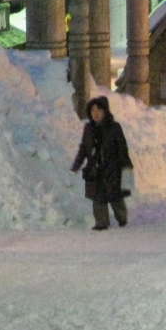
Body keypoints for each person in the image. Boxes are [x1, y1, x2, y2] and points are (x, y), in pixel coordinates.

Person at [71, 95, 133, 230]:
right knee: (98, 196)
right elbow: (84, 148)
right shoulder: (88, 128)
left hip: (112, 168)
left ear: (105, 111)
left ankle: (122, 217)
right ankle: (101, 222)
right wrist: (77, 164)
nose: (96, 113)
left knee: (115, 195)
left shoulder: (114, 127)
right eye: (93, 110)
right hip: (95, 169)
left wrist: (125, 164)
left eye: (98, 110)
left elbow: (122, 147)